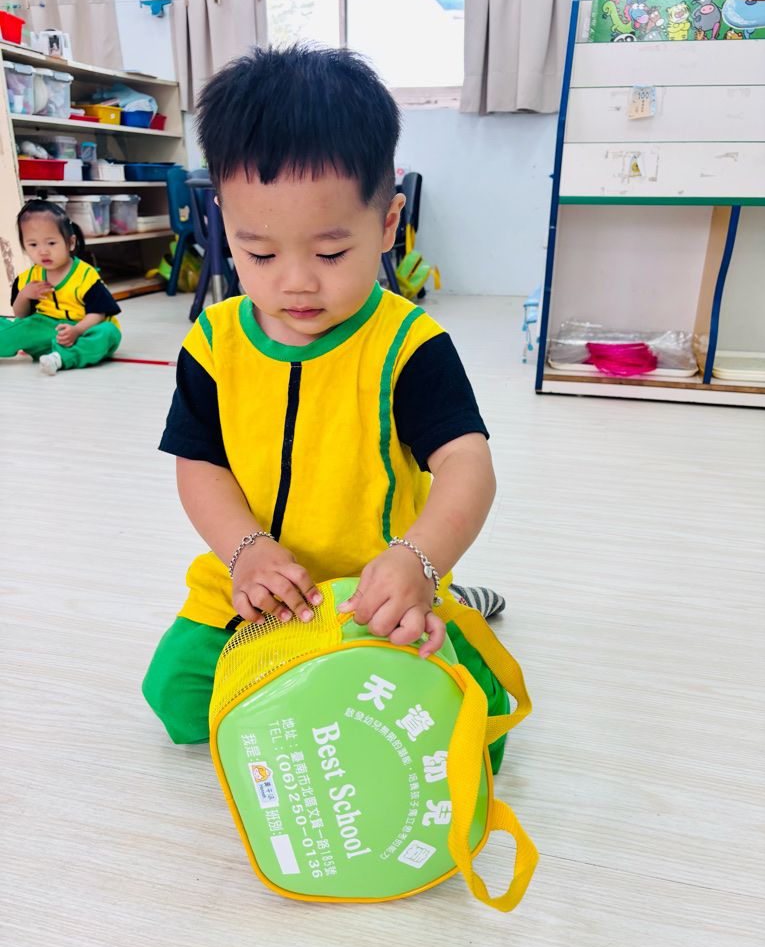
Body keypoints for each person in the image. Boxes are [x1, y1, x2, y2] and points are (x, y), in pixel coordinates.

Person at [142, 45, 512, 770]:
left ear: (388, 223)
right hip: (257, 581)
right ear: (223, 223)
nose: (296, 283)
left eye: (332, 254)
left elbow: (468, 464)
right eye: (259, 253)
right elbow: (199, 464)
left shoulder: (408, 345)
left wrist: (419, 561)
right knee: (179, 704)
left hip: (375, 586)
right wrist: (245, 553)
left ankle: (451, 598)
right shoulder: (214, 342)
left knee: (479, 732)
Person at [2, 200, 121, 375]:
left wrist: (77, 330)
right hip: (46, 332)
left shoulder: (86, 276)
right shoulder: (27, 279)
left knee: (108, 332)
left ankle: (60, 358)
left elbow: (99, 313)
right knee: (16, 328)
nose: (43, 251)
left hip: (83, 330)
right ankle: (53, 351)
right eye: (33, 245)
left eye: (51, 243)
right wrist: (24, 295)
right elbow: (21, 315)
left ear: (70, 243)